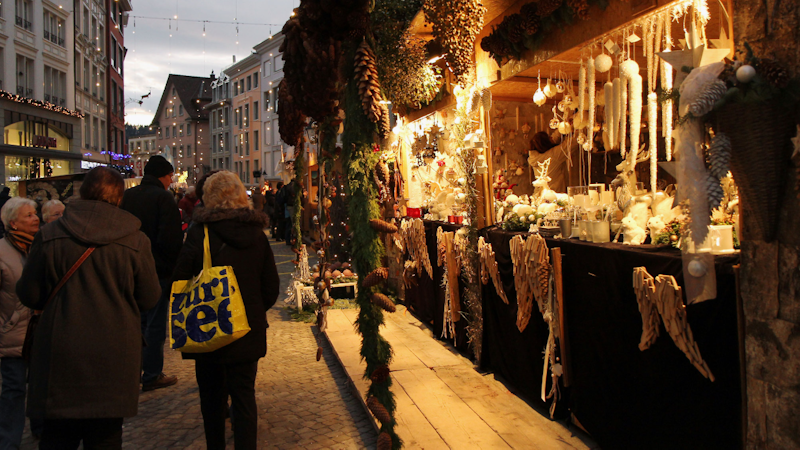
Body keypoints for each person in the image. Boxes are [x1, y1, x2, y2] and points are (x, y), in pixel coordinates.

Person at [16, 167, 160, 449]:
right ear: (119, 198)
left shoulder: (49, 235)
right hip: (115, 354)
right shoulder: (136, 240)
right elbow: (149, 297)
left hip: (60, 353)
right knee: (106, 437)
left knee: (57, 437)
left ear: (83, 192)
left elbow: (29, 294)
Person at [172, 171, 279, 450]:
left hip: (208, 329)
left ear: (209, 198)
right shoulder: (257, 234)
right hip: (247, 331)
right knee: (244, 398)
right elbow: (271, 288)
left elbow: (180, 279)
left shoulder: (199, 232)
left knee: (211, 401)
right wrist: (249, 311)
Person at [121, 155, 183, 391]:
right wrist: (171, 266)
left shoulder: (128, 196)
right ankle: (152, 374)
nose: (171, 181)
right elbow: (170, 239)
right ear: (163, 176)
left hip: (129, 268)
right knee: (155, 324)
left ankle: (132, 371)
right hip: (156, 270)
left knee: (135, 322)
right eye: (170, 176)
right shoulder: (163, 198)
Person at [0, 197, 42, 447]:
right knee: (14, 391)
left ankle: (41, 429)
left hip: (38, 330)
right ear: (13, 223)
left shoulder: (41, 246)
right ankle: (8, 442)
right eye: (28, 215)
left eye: (35, 213)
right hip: (12, 333)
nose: (35, 218)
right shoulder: (2, 253)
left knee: (39, 387)